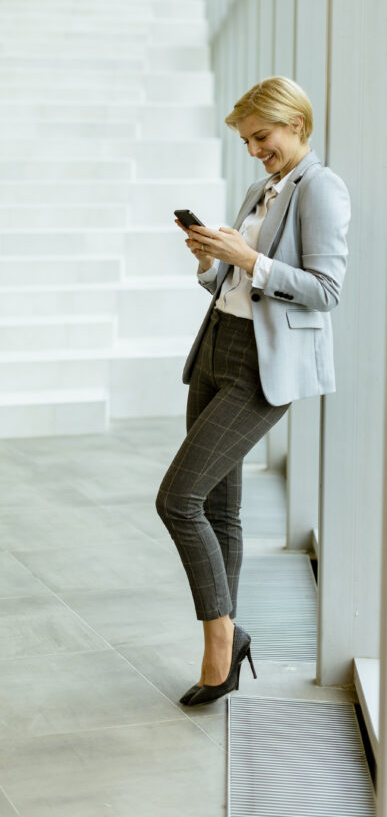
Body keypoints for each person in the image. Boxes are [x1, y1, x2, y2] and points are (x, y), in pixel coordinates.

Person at [156, 76, 351, 707]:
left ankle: (222, 639)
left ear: (295, 124)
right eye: (246, 140)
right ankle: (227, 641)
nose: (253, 150)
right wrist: (211, 260)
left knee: (177, 498)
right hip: (217, 346)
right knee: (218, 507)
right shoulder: (261, 188)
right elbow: (235, 285)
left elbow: (326, 290)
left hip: (261, 368)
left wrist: (250, 258)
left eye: (260, 137)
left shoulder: (322, 187)